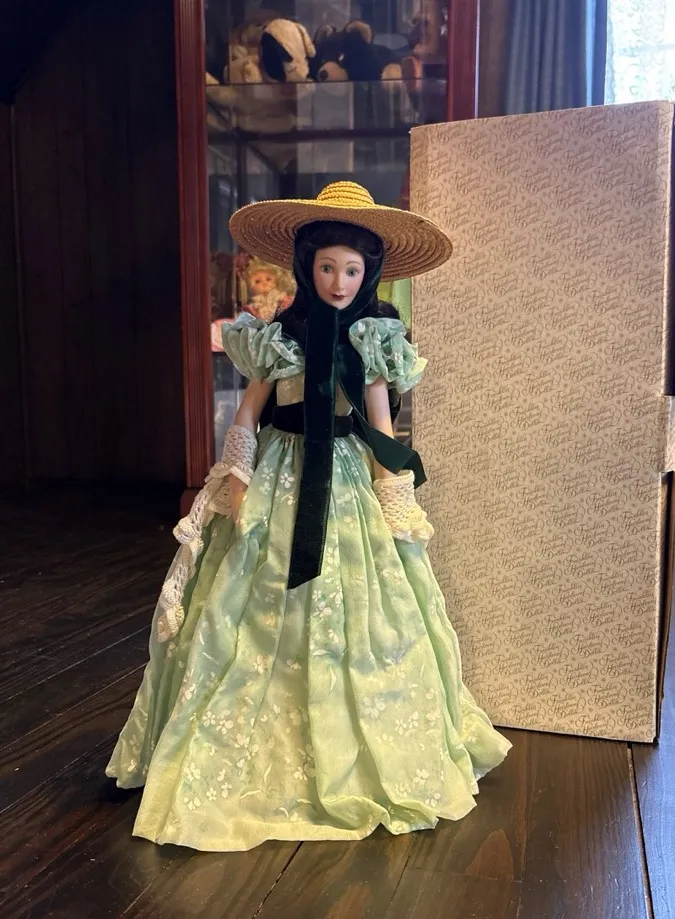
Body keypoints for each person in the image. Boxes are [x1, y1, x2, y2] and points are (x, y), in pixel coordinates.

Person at [106, 181, 511, 851]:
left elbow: (381, 428)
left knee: (368, 605)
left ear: (369, 273)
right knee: (251, 600)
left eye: (351, 270)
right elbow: (249, 411)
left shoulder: (375, 341)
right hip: (281, 474)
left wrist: (396, 499)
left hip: (346, 479)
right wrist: (236, 475)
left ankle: (356, 741)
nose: (338, 282)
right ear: (306, 266)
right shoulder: (278, 338)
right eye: (327, 267)